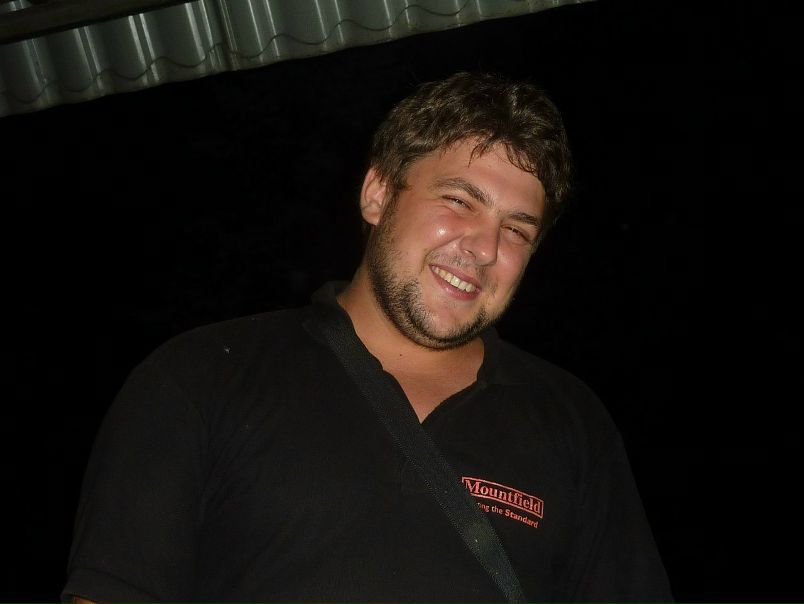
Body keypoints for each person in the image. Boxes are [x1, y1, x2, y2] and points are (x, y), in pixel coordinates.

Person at [62, 72, 674, 603]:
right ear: (377, 193)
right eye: (459, 201)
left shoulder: (571, 423)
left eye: (517, 230)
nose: (485, 247)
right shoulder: (202, 375)